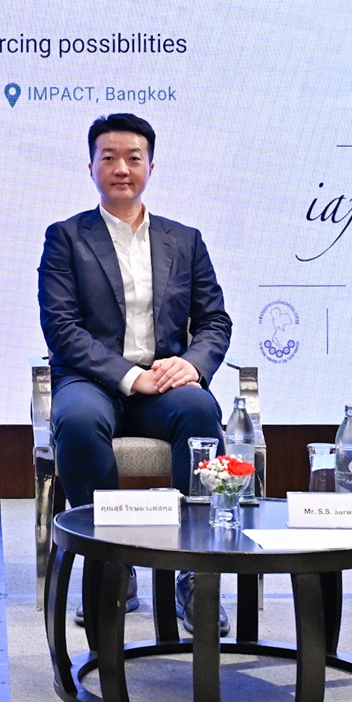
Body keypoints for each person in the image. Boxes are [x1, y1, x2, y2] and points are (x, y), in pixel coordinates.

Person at [38, 113, 233, 633]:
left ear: (151, 166)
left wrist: (191, 365)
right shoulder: (66, 238)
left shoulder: (184, 240)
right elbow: (61, 328)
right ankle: (111, 567)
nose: (121, 168)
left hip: (164, 383)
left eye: (133, 158)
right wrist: (129, 376)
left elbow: (215, 321)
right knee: (78, 420)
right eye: (109, 158)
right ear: (91, 167)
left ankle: (195, 569)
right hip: (91, 380)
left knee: (199, 409)